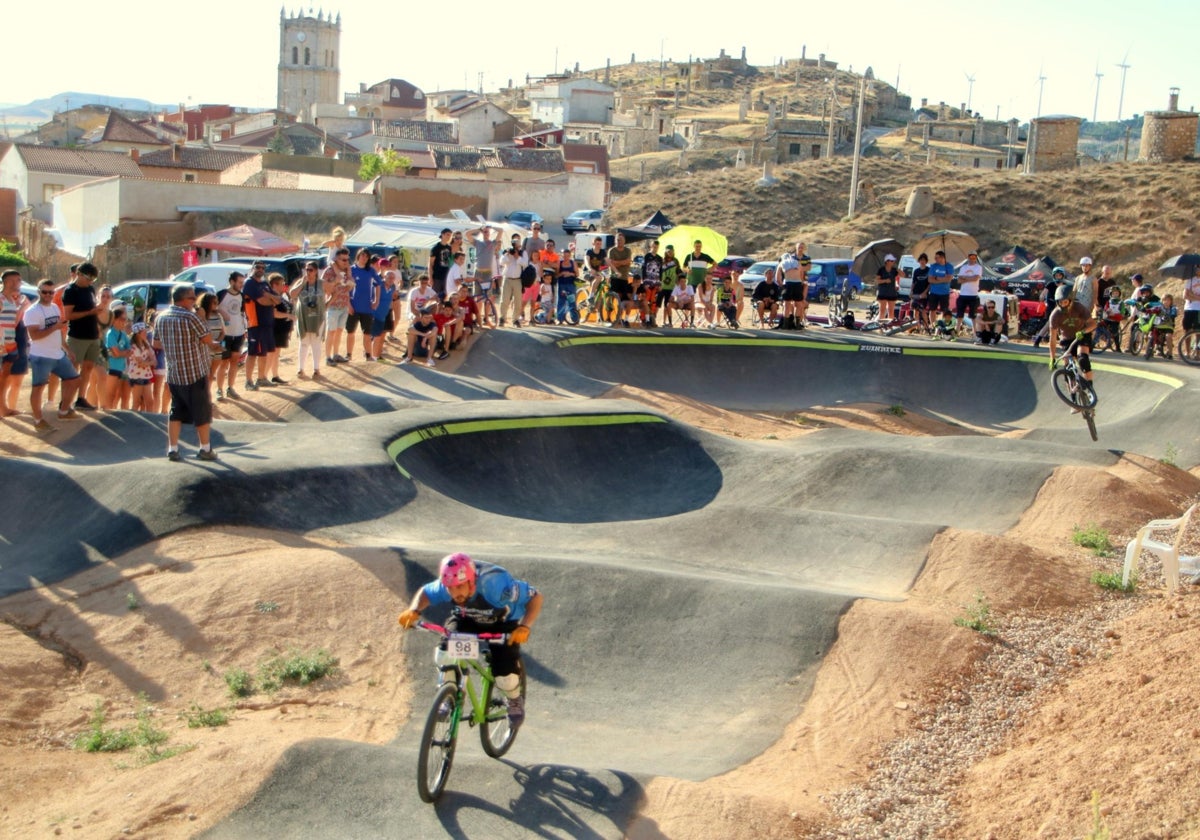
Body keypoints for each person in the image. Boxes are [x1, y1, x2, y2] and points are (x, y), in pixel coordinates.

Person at [398, 552, 543, 727]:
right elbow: (427, 593)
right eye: (450, 588)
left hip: (502, 624)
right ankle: (448, 695)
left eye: (459, 587)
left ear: (472, 582)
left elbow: (535, 597)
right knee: (444, 654)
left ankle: (514, 699)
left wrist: (525, 626)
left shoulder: (496, 586)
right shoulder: (448, 585)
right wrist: (414, 610)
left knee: (505, 676)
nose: (454, 593)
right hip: (467, 619)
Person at [155, 284, 217, 461]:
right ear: (183, 299)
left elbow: (157, 343)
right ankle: (205, 449)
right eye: (192, 298)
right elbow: (207, 338)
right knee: (201, 412)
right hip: (194, 372)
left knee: (176, 411)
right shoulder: (191, 318)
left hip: (174, 373)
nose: (194, 301)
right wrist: (201, 318)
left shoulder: (161, 317)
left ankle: (173, 449)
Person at [23, 280, 83, 432]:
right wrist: (54, 327)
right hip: (41, 356)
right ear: (39, 292)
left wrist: (67, 349)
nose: (48, 295)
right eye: (45, 292)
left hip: (58, 354)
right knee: (38, 388)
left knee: (75, 380)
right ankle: (38, 420)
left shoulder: (56, 307)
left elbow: (59, 332)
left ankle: (63, 411)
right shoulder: (32, 311)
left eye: (51, 292)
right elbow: (34, 336)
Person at [60, 261, 102, 410]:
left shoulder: (90, 289)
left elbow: (92, 307)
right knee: (72, 368)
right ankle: (65, 401)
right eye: (88, 278)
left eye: (93, 279)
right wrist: (89, 313)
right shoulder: (71, 291)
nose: (90, 282)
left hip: (92, 334)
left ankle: (81, 398)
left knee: (88, 367)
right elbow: (68, 315)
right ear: (78, 274)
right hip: (77, 336)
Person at [1047, 284, 1098, 394]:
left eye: (1065, 302)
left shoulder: (1078, 307)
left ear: (1071, 300)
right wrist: (1052, 358)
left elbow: (1093, 324)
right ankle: (1073, 398)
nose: (1063, 305)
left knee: (1082, 358)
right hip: (1066, 339)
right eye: (1060, 302)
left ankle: (1090, 388)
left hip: (1082, 334)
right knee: (1067, 369)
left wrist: (1083, 331)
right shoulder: (1055, 315)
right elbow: (1052, 338)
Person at [242, 264, 281, 390]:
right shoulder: (249, 283)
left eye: (263, 268)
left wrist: (269, 296)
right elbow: (261, 301)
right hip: (256, 324)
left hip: (267, 323)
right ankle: (248, 381)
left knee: (263, 352)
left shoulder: (264, 284)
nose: (260, 270)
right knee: (253, 352)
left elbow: (278, 299)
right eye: (258, 267)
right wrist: (271, 299)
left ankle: (261, 378)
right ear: (252, 268)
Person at [0, 269, 31, 417]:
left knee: (5, 377)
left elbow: (14, 322)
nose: (16, 284)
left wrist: (22, 307)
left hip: (10, 344)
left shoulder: (13, 301)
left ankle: (3, 408)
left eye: (18, 281)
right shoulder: (0, 299)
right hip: (1, 345)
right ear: (5, 282)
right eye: (12, 281)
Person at [291, 261, 327, 379]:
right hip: (303, 317)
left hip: (318, 317)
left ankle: (316, 369)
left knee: (316, 343)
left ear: (316, 271)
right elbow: (292, 294)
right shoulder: (301, 282)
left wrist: (328, 304)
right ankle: (300, 369)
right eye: (306, 269)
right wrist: (302, 283)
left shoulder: (322, 283)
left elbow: (334, 290)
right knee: (304, 342)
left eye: (311, 270)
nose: (308, 272)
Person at [215, 271, 247, 400]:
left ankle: (231, 388)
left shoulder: (242, 296)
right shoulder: (221, 294)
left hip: (238, 333)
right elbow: (212, 307)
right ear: (232, 282)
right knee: (223, 363)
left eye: (242, 282)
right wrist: (221, 311)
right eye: (239, 282)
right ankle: (219, 389)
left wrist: (245, 329)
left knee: (234, 361)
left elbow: (242, 313)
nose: (241, 285)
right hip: (225, 335)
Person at [346, 248, 380, 362]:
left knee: (367, 333)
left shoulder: (371, 271)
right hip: (353, 306)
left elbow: (378, 284)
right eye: (362, 255)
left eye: (366, 256)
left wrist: (376, 301)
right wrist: (348, 304)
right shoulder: (351, 270)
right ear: (358, 256)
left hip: (367, 307)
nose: (364, 258)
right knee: (351, 332)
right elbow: (345, 288)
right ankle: (349, 354)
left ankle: (368, 355)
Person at [322, 247, 353, 365]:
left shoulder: (347, 271)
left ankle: (336, 354)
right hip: (333, 305)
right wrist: (336, 280)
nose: (346, 262)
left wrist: (349, 280)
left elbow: (350, 286)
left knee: (339, 331)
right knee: (331, 331)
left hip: (344, 304)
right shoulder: (329, 271)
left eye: (347, 260)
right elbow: (323, 286)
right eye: (343, 260)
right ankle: (328, 357)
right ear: (336, 260)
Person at [102, 306, 132, 410]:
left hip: (121, 368)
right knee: (109, 394)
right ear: (115, 319)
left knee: (116, 395)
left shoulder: (123, 334)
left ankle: (111, 412)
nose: (125, 322)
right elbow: (116, 353)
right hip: (111, 367)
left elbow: (130, 351)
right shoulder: (111, 334)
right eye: (122, 319)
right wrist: (123, 353)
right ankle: (107, 414)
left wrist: (121, 353)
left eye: (126, 320)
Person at [268, 274, 294, 382]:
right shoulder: (272, 297)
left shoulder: (282, 296)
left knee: (276, 353)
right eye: (282, 284)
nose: (284, 286)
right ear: (274, 284)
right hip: (275, 328)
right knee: (271, 353)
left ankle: (275, 375)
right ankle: (263, 376)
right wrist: (288, 316)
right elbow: (274, 313)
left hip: (282, 329)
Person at [127, 322, 157, 412]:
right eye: (143, 332)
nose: (146, 334)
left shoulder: (146, 344)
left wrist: (148, 362)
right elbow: (141, 363)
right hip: (136, 376)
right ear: (137, 334)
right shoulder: (133, 347)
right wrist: (150, 362)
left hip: (146, 375)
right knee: (136, 402)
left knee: (149, 402)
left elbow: (154, 360)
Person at [497, 244, 527, 327]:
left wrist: (517, 256)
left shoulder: (523, 253)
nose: (515, 248)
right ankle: (502, 318)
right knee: (504, 300)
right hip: (507, 279)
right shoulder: (508, 252)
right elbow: (501, 262)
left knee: (518, 301)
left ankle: (515, 320)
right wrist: (507, 254)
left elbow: (525, 264)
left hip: (518, 280)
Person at [955, 250, 984, 330]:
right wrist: (969, 278)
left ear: (976, 258)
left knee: (973, 315)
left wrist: (965, 278)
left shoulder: (978, 267)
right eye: (971, 257)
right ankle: (957, 330)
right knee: (960, 314)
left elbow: (976, 278)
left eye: (974, 257)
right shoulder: (964, 267)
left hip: (973, 294)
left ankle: (975, 331)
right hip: (963, 294)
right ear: (968, 258)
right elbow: (959, 280)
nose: (972, 259)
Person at [554, 243, 580, 325]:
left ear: (570, 256)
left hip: (571, 285)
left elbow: (577, 274)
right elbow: (556, 275)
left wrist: (570, 274)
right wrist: (561, 274)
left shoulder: (573, 263)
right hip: (562, 285)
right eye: (564, 256)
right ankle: (560, 319)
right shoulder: (560, 263)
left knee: (571, 301)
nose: (566, 258)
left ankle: (574, 319)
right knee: (561, 301)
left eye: (567, 256)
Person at [641, 240, 664, 327]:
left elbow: (661, 271)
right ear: (651, 246)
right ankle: (644, 319)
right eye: (654, 247)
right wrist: (644, 281)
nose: (655, 249)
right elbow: (643, 268)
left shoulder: (659, 258)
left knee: (654, 302)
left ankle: (652, 319)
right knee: (646, 301)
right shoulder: (647, 256)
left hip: (656, 282)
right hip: (648, 281)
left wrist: (660, 283)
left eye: (657, 247)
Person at [429, 229, 454, 299]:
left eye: (450, 235)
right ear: (442, 235)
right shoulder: (436, 248)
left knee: (445, 296)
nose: (449, 237)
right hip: (437, 277)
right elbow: (430, 263)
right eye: (447, 235)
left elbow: (451, 262)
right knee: (435, 296)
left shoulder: (449, 248)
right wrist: (430, 277)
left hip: (446, 276)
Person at [910, 253, 932, 331]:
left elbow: (930, 283)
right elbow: (914, 282)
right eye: (921, 260)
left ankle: (926, 327)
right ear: (919, 261)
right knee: (915, 310)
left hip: (924, 294)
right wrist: (911, 291)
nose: (922, 261)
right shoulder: (916, 271)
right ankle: (917, 327)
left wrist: (925, 292)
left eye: (924, 260)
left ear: (926, 261)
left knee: (923, 310)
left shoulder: (929, 270)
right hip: (916, 292)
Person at [875, 254, 900, 322]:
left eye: (893, 261)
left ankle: (890, 326)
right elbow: (877, 281)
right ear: (887, 261)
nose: (893, 262)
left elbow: (903, 275)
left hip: (892, 293)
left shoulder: (894, 270)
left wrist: (898, 270)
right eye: (892, 261)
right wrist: (885, 280)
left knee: (891, 311)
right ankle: (881, 327)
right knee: (882, 311)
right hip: (883, 292)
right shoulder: (881, 270)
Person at [1183, 264, 1200, 333]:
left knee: (1198, 330)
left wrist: (1191, 294)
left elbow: (1188, 294)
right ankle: (1187, 344)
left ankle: (1197, 344)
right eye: (1197, 268)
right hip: (1189, 308)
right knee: (1187, 329)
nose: (1198, 269)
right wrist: (1198, 298)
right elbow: (1185, 296)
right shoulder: (1190, 280)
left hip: (1198, 309)